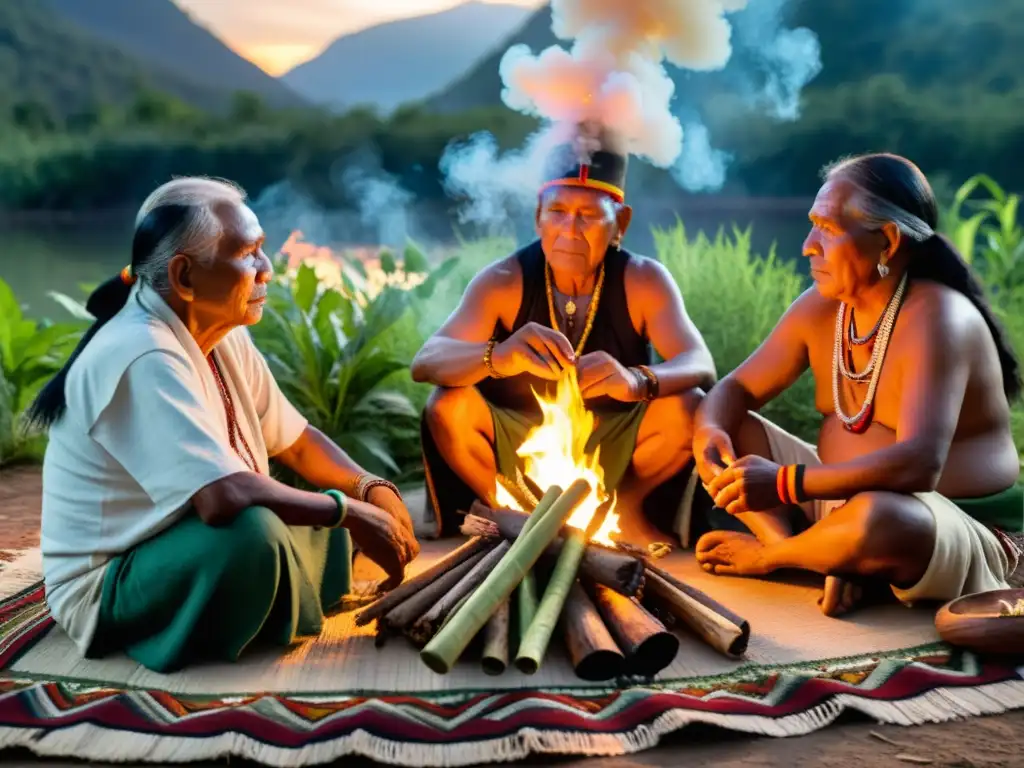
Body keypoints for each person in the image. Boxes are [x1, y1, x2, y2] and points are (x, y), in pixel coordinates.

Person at [27, 177, 420, 673]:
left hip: (183, 536)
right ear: (185, 275)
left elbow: (296, 441)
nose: (267, 270)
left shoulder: (221, 332)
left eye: (262, 250)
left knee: (315, 514)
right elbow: (219, 498)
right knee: (256, 533)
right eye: (249, 253)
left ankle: (275, 594)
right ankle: (233, 617)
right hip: (111, 580)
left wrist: (370, 489)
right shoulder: (141, 351)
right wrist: (348, 511)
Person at [691, 153, 1023, 616]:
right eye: (811, 226)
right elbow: (735, 390)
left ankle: (776, 557)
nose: (808, 245)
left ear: (887, 241)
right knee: (718, 422)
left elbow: (918, 465)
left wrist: (787, 483)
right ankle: (815, 553)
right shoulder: (822, 307)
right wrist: (710, 437)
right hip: (836, 504)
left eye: (826, 229)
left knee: (876, 519)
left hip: (948, 524)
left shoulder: (938, 317)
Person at [412, 126, 717, 544]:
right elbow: (426, 361)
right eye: (557, 212)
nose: (569, 230)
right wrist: (498, 357)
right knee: (448, 405)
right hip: (517, 447)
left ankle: (622, 512)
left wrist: (637, 380)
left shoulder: (643, 280)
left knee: (689, 407)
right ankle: (510, 515)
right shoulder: (504, 280)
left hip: (614, 440)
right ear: (538, 214)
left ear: (620, 223)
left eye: (589, 216)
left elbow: (699, 363)